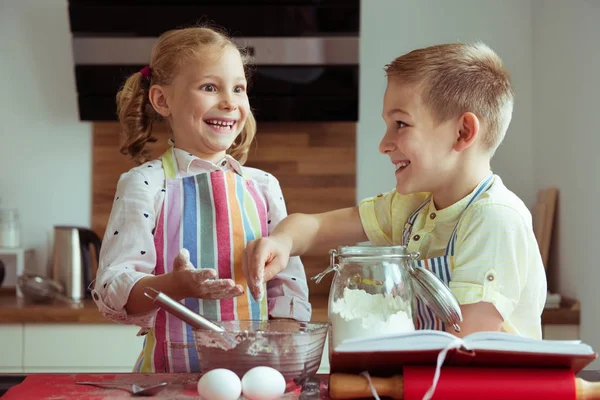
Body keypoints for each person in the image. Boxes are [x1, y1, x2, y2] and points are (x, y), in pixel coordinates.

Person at [243, 42, 546, 339]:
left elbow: (470, 345)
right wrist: (282, 241)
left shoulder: (493, 218)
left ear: (463, 132)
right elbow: (317, 226)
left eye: (401, 124)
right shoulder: (412, 208)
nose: (384, 144)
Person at [91, 26, 311, 373]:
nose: (229, 101)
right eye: (210, 87)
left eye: (239, 88)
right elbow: (115, 289)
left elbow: (288, 284)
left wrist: (279, 355)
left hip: (252, 375)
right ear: (163, 100)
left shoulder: (264, 186)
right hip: (167, 379)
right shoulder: (143, 184)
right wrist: (171, 285)